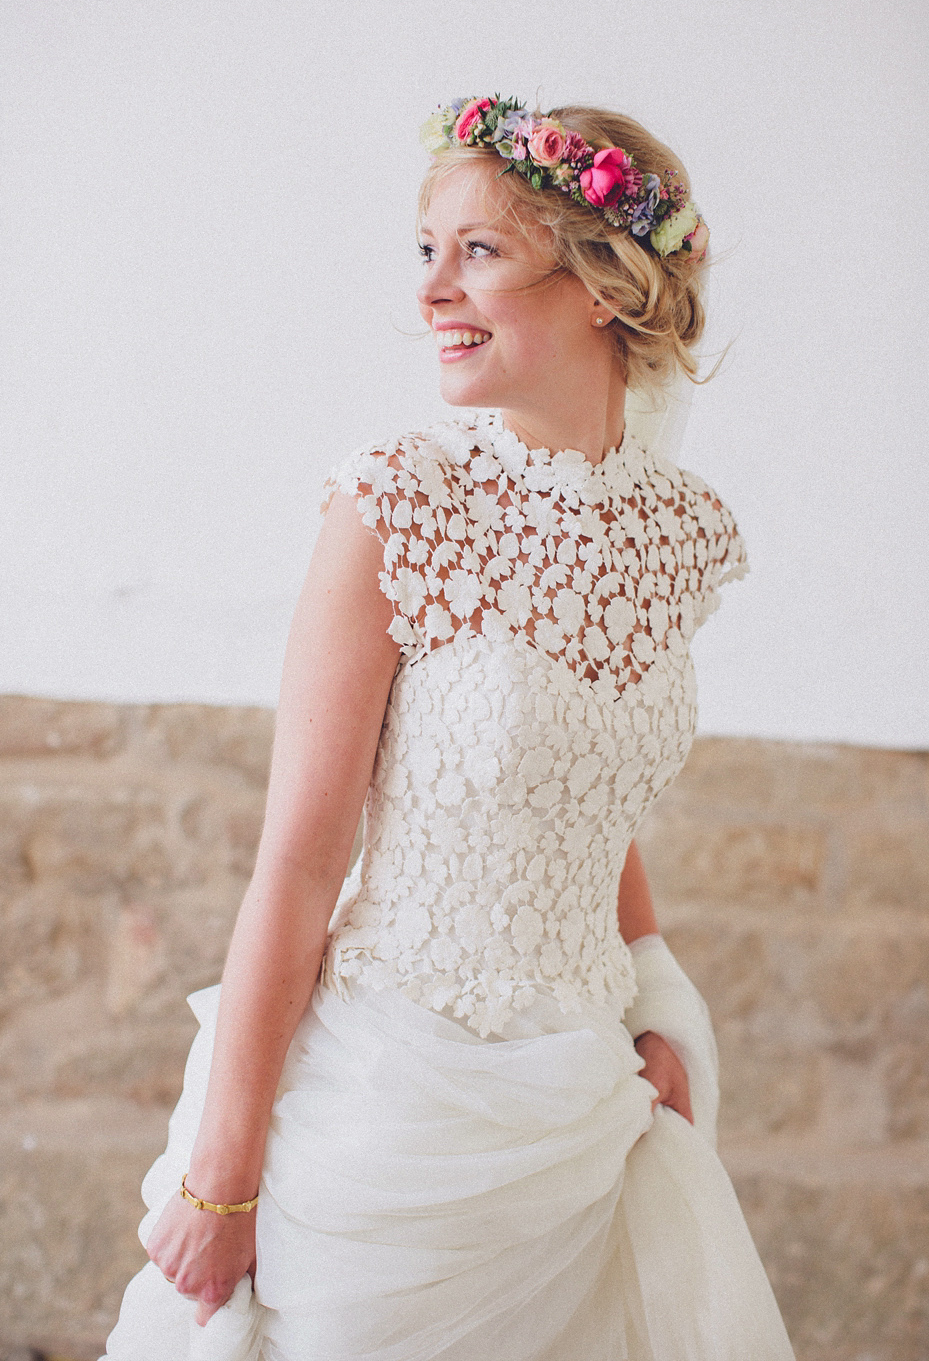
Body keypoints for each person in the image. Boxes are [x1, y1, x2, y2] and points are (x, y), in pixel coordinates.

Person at [102, 95, 795, 1360]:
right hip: (390, 1116)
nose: (432, 291)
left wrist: (655, 1004)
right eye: (425, 251)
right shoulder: (396, 503)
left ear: (600, 284)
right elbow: (302, 861)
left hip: (592, 1112)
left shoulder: (678, 533)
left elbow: (582, 789)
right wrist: (221, 1180)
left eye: (475, 251)